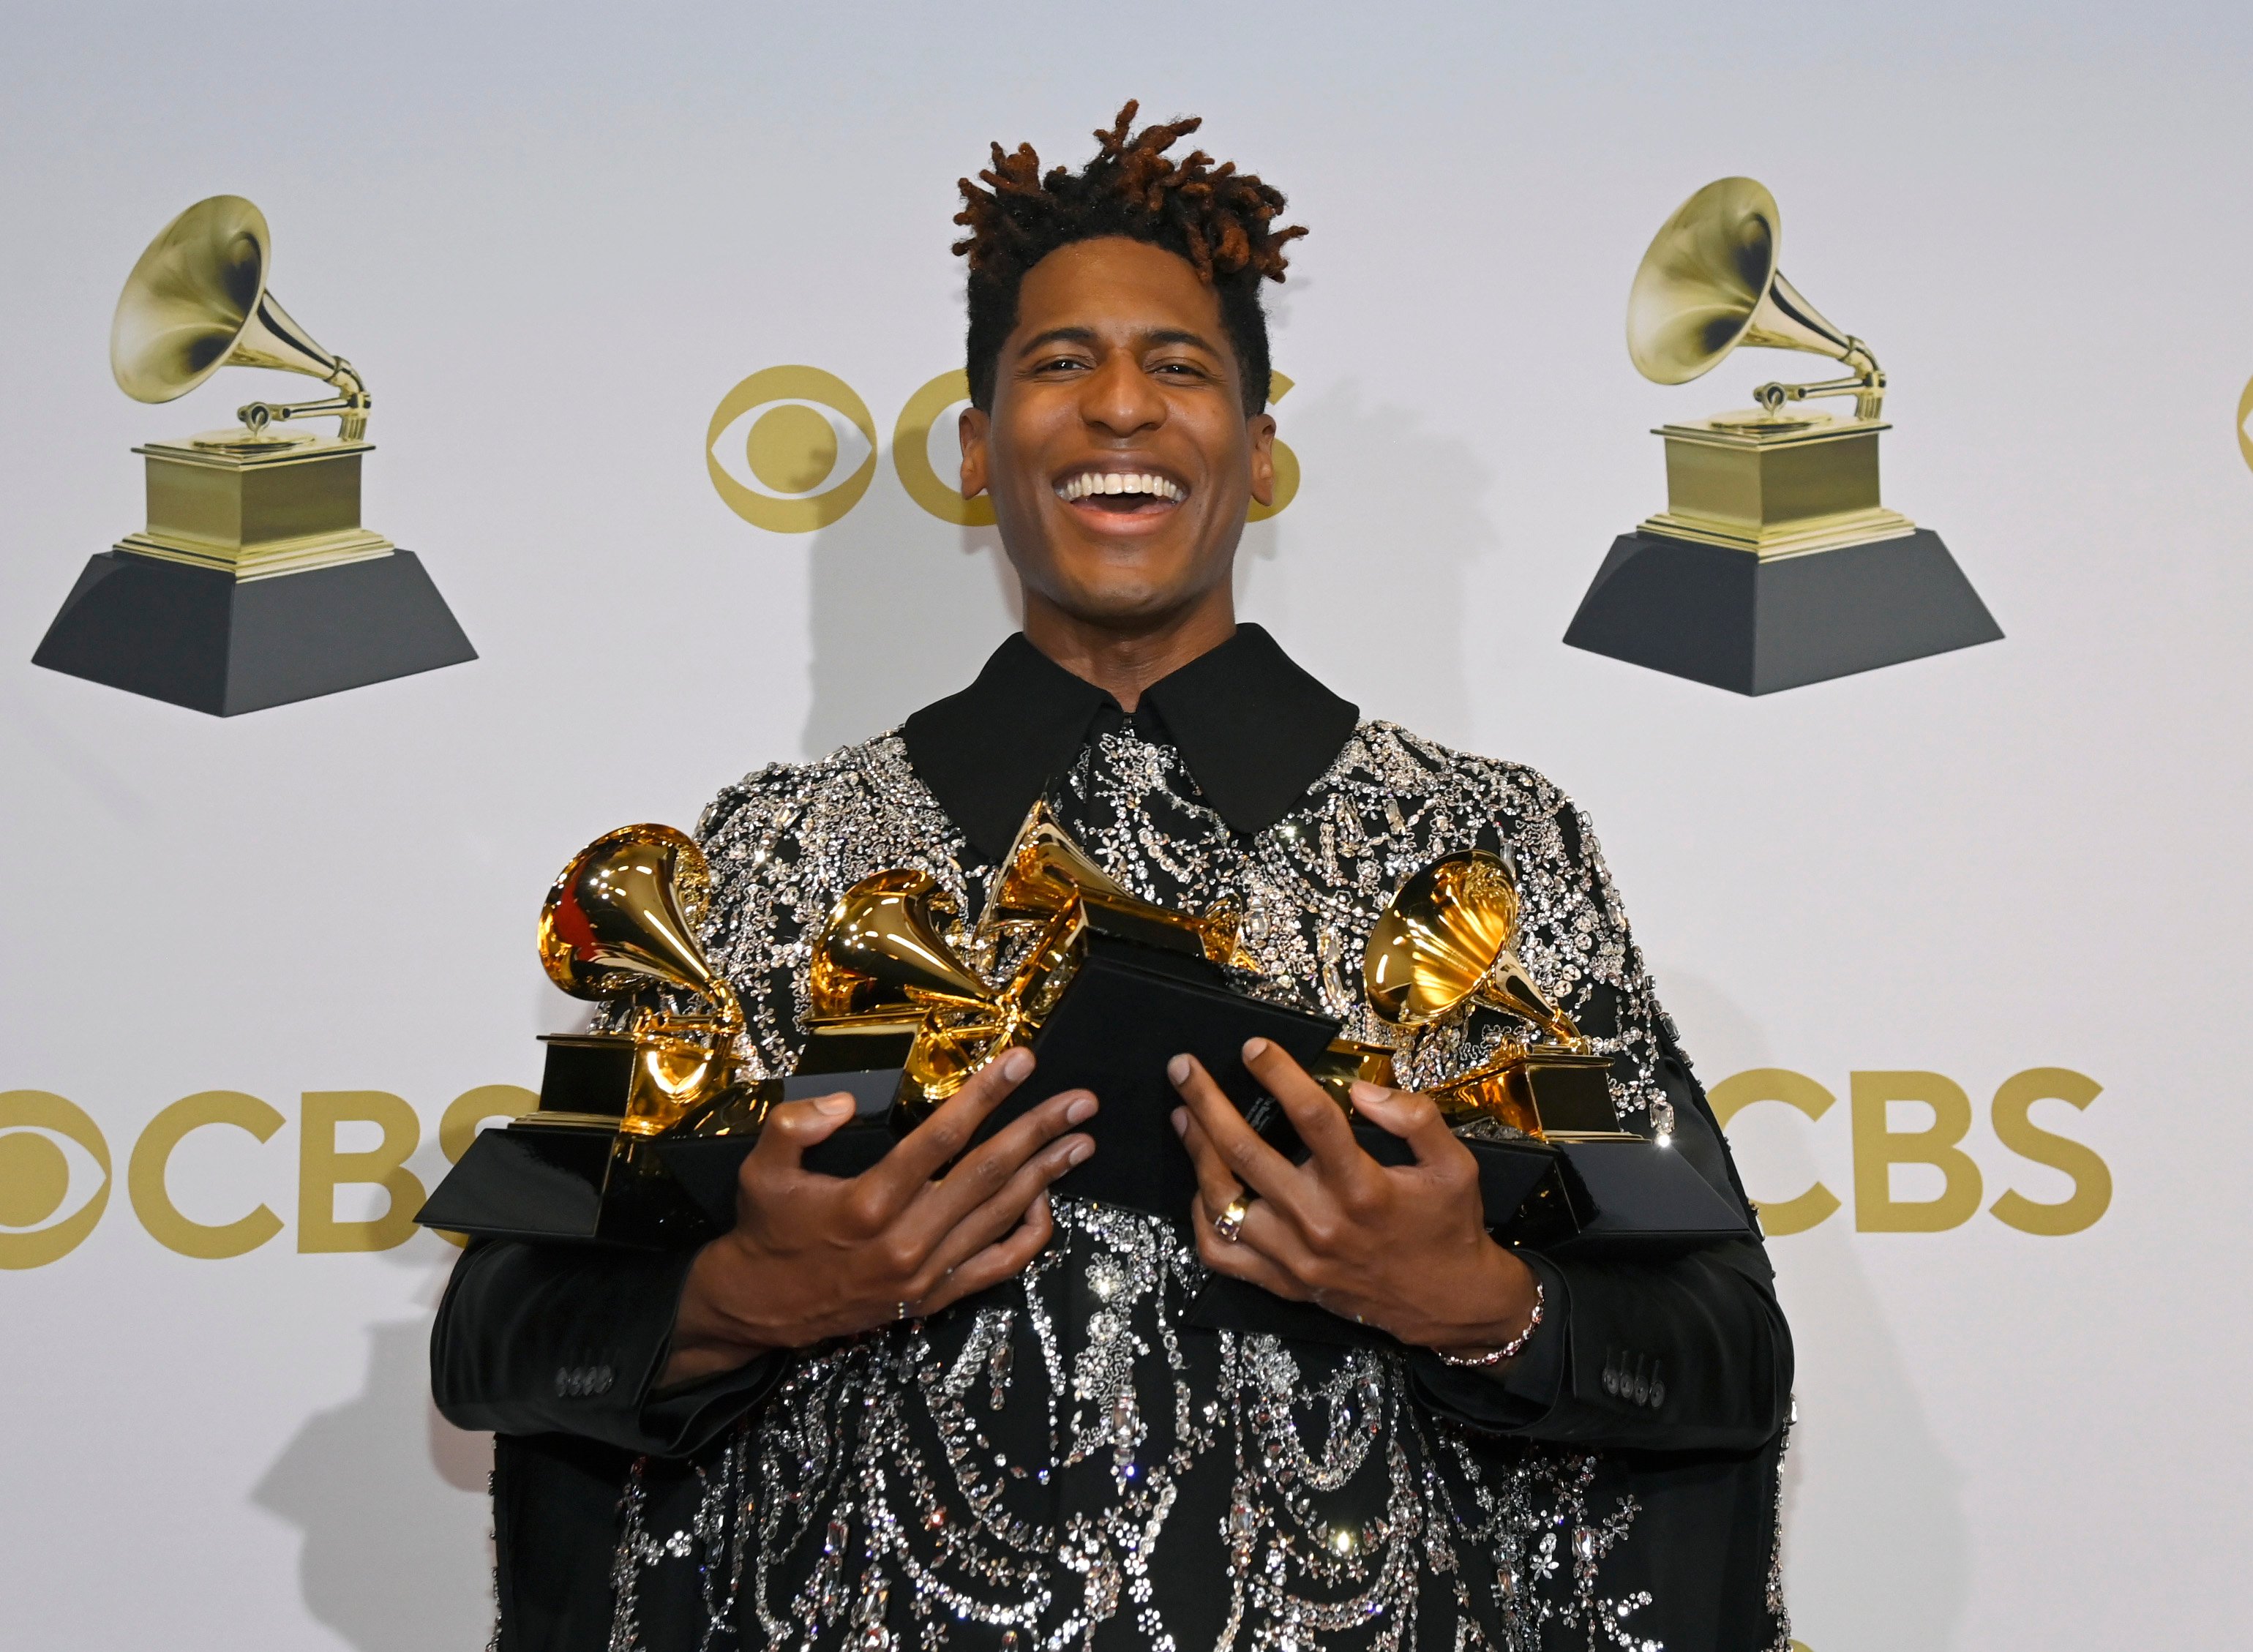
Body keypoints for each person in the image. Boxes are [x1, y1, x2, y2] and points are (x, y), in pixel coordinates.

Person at [433, 102, 1793, 1652]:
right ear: (976, 448)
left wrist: (1476, 1297)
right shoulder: (772, 854)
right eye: (1060, 363)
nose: (1122, 407)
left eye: (1180, 367)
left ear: (1259, 454)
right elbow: (499, 1338)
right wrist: (745, 1291)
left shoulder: (1484, 852)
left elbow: (1723, 1354)